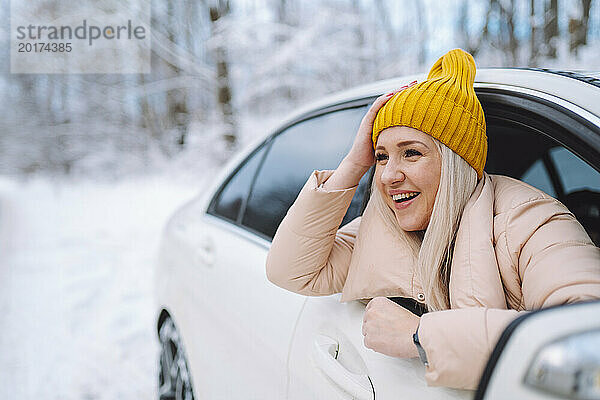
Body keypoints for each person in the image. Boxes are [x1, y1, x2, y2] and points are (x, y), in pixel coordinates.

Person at [265, 49, 600, 390]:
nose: (389, 176)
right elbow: (290, 270)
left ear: (455, 161)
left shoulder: (531, 220)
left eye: (411, 153)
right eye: (382, 157)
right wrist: (354, 163)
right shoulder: (380, 227)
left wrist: (420, 336)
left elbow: (585, 346)